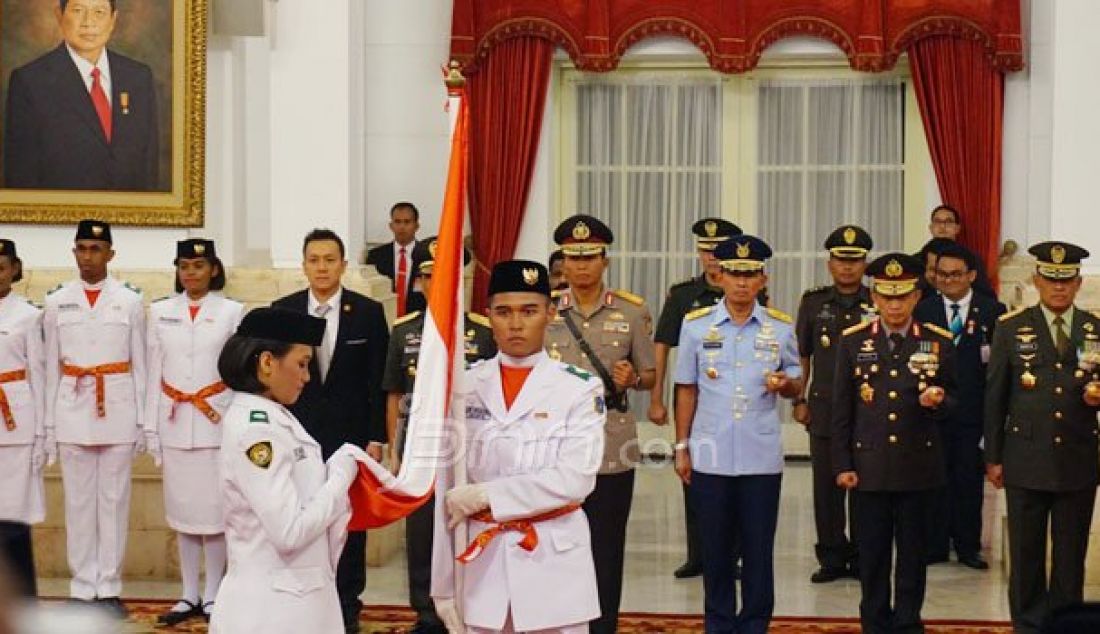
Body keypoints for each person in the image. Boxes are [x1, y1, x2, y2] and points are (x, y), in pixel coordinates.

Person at [430, 260, 605, 634]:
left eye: (529, 311)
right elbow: (448, 494)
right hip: (481, 570)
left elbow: (575, 480)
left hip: (553, 567)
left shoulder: (578, 388)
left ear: (551, 312)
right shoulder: (464, 387)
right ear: (488, 315)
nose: (515, 323)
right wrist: (442, 587)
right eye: (503, 312)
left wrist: (487, 494)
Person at [208, 307, 367, 634]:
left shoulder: (273, 416)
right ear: (267, 363)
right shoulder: (258, 431)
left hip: (296, 598)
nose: (307, 377)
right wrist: (340, 477)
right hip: (273, 609)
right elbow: (289, 531)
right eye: (302, 364)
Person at [673, 235, 802, 634]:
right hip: (710, 453)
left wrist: (787, 385)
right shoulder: (696, 326)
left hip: (760, 455)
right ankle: (719, 622)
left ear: (763, 279)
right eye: (734, 273)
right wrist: (682, 446)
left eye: (750, 274)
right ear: (720, 276)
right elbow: (686, 388)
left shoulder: (780, 327)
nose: (742, 283)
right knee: (715, 550)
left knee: (759, 548)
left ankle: (755, 623)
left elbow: (798, 380)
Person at [832, 253, 958, 634]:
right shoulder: (854, 342)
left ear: (916, 297)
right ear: (875, 297)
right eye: (887, 297)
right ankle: (873, 620)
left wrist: (938, 401)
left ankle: (907, 621)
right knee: (871, 554)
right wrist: (842, 465)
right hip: (869, 467)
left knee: (913, 555)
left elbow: (956, 400)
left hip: (917, 466)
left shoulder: (937, 342)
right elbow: (842, 411)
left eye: (902, 296)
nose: (895, 305)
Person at [272, 229, 390, 634]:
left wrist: (377, 439)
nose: (321, 267)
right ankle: (303, 605)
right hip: (297, 439)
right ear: (303, 264)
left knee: (348, 526)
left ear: (342, 264)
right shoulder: (283, 312)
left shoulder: (369, 313)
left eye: (329, 259)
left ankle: (346, 606)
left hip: (350, 440)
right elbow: (271, 381)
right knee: (301, 520)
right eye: (314, 260)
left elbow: (379, 382)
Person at [544, 214, 655, 634]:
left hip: (612, 448)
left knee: (606, 551)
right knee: (555, 547)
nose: (581, 266)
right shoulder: (548, 311)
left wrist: (634, 379)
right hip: (556, 450)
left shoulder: (631, 310)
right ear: (564, 263)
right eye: (574, 258)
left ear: (604, 260)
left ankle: (601, 626)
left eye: (590, 256)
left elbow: (650, 376)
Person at [984, 241, 1100, 634]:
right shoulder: (1011, 328)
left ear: (1078, 282)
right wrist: (994, 458)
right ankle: (1028, 625)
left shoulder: (1094, 329)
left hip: (1077, 457)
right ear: (1037, 280)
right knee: (1026, 552)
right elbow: (995, 396)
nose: (1058, 288)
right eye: (1050, 280)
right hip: (1025, 457)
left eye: (1066, 281)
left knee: (1070, 556)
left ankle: (1065, 625)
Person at [382, 236, 496, 634]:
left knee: (470, 522)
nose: (437, 283)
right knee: (422, 532)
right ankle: (426, 611)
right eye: (429, 276)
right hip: (421, 446)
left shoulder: (482, 331)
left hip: (469, 446)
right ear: (420, 281)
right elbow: (395, 392)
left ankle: (470, 603)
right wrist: (396, 450)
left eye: (446, 275)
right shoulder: (404, 331)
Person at [42, 219, 146, 617]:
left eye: (96, 249)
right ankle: (82, 586)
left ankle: (108, 586)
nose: (89, 256)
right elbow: (51, 366)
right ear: (74, 253)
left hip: (118, 409)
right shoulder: (56, 301)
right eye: (82, 248)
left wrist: (142, 422)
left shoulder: (130, 299)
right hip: (72, 409)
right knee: (79, 504)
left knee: (114, 501)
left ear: (110, 254)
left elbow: (141, 363)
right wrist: (50, 427)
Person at [145, 239, 244, 625]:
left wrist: (234, 420)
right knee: (183, 512)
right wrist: (151, 429)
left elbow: (238, 373)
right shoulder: (160, 312)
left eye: (199, 266)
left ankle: (214, 593)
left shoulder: (232, 312)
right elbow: (154, 371)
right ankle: (187, 594)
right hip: (173, 421)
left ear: (214, 270)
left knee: (214, 515)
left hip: (214, 421)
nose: (191, 273)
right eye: (184, 266)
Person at [649, 217, 741, 579]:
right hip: (692, 396)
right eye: (706, 250)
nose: (713, 257)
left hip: (733, 399)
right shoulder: (683, 294)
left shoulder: (748, 291)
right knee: (692, 473)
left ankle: (731, 557)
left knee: (734, 475)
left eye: (719, 250)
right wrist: (655, 396)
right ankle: (698, 554)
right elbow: (662, 343)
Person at [4, 0, 160, 191]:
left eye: (99, 12)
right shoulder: (30, 82)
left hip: (129, 216)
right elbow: (21, 176)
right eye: (78, 11)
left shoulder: (139, 78)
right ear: (59, 16)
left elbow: (148, 165)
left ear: (113, 20)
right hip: (59, 215)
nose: (88, 22)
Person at [914, 242, 1005, 570]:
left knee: (968, 480)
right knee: (934, 479)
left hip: (973, 412)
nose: (948, 280)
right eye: (941, 274)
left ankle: (968, 545)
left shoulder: (992, 311)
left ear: (971, 275)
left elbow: (998, 368)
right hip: (933, 412)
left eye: (955, 274)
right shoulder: (923, 310)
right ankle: (934, 544)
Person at [792, 225, 875, 583]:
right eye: (841, 259)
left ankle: (861, 556)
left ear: (864, 264)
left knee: (864, 486)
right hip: (824, 408)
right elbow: (802, 355)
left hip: (867, 410)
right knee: (826, 488)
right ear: (830, 263)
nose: (847, 267)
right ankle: (831, 557)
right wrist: (799, 396)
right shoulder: (813, 303)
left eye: (855, 260)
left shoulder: (876, 303)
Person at [0, 239, 46, 599]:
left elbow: (40, 375)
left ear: (15, 270)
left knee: (13, 517)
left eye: (1, 266)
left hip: (15, 421)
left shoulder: (29, 315)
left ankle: (18, 597)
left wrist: (42, 434)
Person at [365, 202, 424, 317]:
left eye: (407, 222)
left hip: (418, 320)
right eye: (397, 222)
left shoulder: (427, 256)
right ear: (391, 226)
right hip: (384, 318)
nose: (402, 227)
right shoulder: (375, 256)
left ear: (416, 226)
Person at [923, 206, 995, 298]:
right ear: (931, 227)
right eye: (937, 222)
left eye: (948, 222)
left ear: (957, 228)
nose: (942, 226)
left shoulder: (971, 258)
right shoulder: (917, 259)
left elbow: (984, 293)